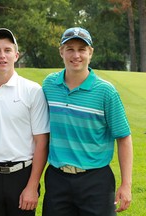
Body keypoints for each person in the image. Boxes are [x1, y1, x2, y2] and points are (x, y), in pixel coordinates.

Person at [42, 27, 133, 216]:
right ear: (61, 52)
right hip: (57, 179)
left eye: (82, 49)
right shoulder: (49, 85)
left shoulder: (106, 92)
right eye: (70, 49)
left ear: (90, 53)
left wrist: (126, 184)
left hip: (96, 181)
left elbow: (124, 138)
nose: (76, 55)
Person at [0, 28, 50, 216]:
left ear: (16, 55)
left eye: (7, 50)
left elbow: (41, 143)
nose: (2, 56)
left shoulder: (32, 91)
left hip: (22, 176)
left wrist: (32, 186)